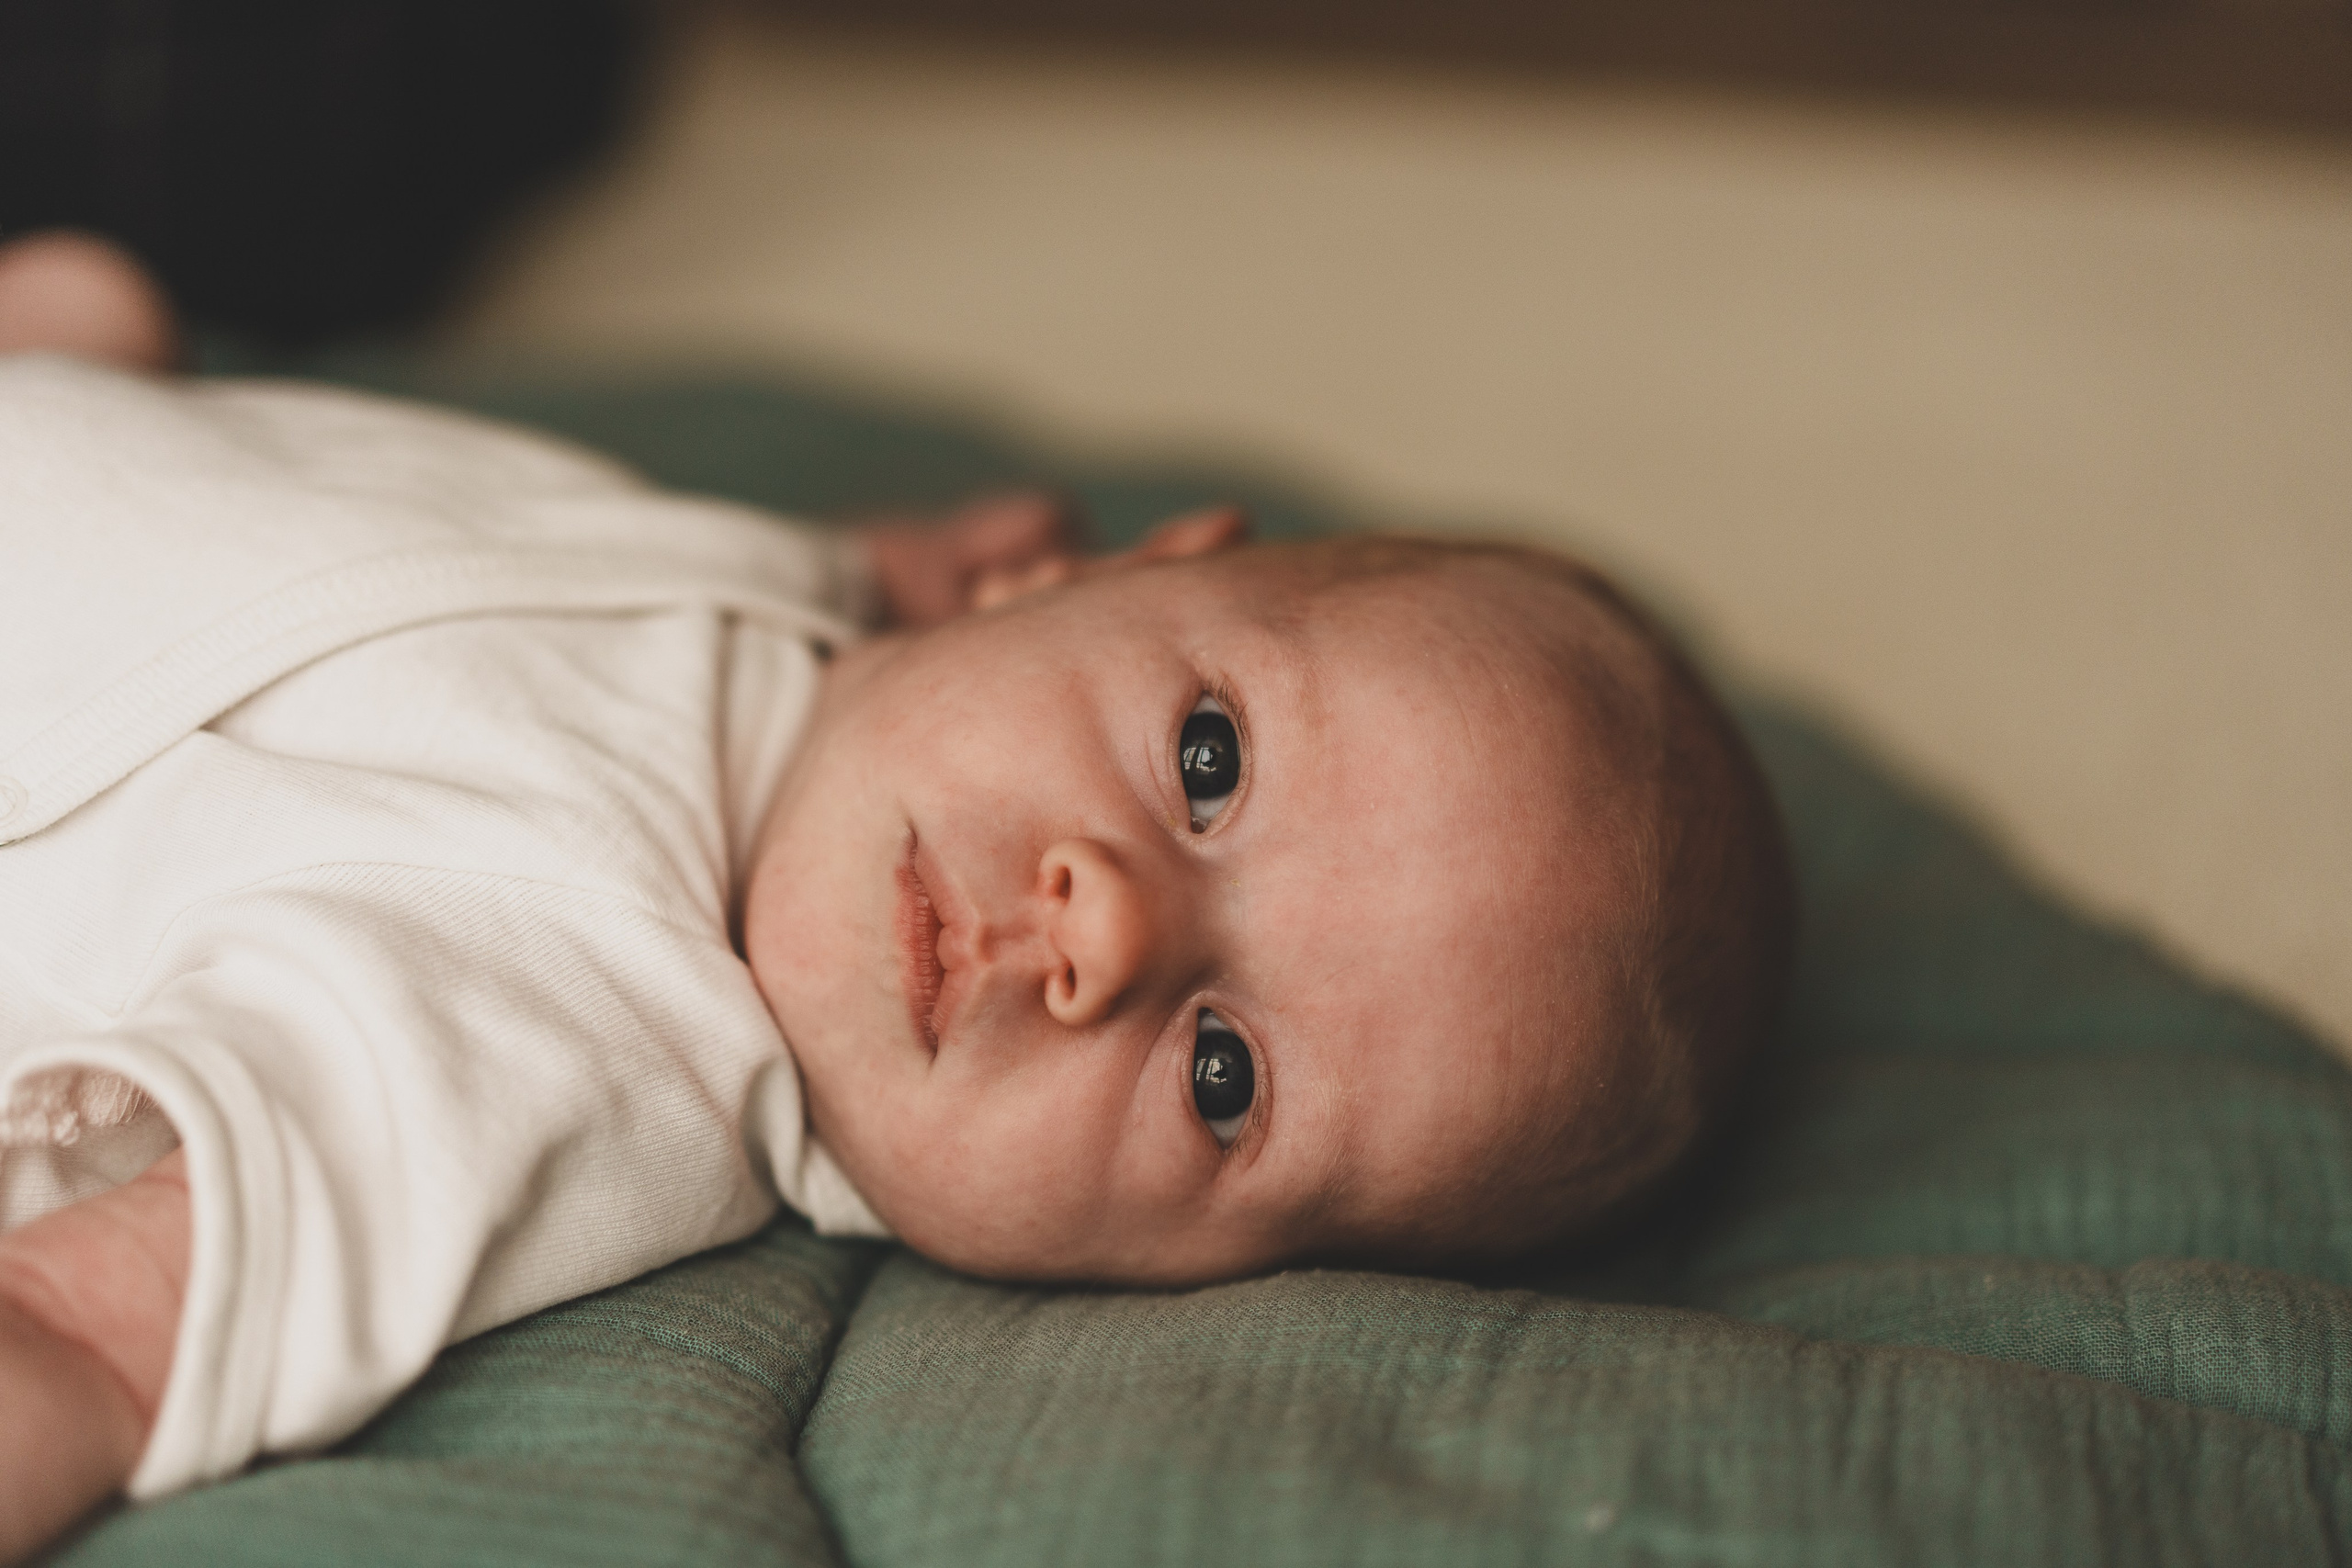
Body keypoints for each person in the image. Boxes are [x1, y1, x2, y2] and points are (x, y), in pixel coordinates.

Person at [0, 235, 1794, 1560]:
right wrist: (884, 568)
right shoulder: (811, 630)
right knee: (100, 306)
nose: (1106, 926)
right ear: (1086, 574)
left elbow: (85, 1333)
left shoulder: (584, 1044)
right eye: (1204, 762)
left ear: (1179, 1285)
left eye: (1224, 1074)